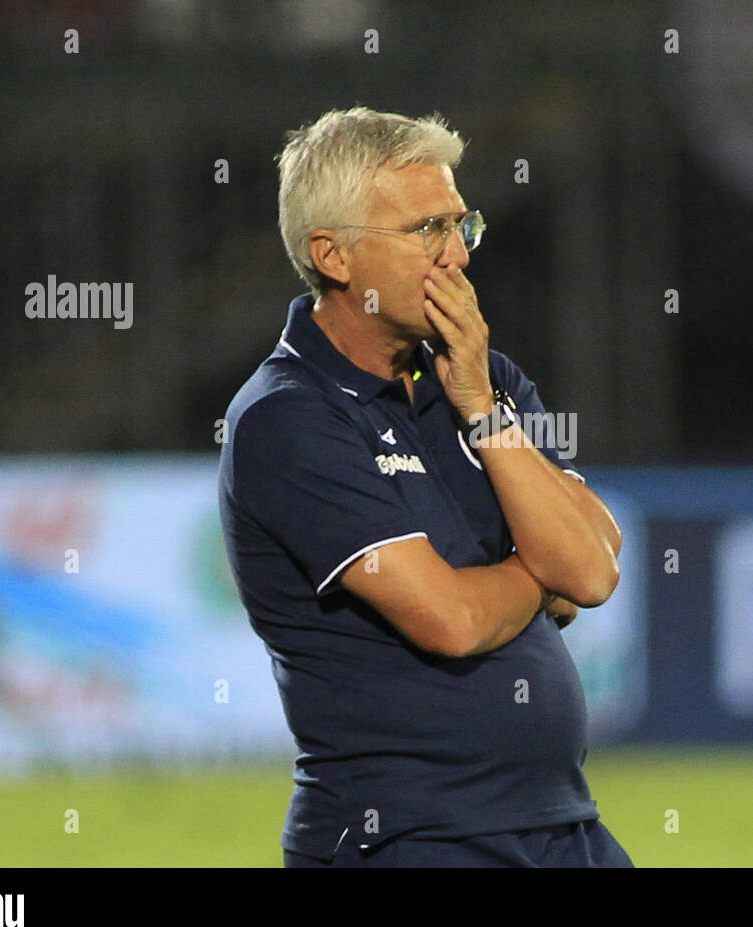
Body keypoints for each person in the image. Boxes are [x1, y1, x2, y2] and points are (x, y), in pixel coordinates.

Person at [217, 107, 631, 867]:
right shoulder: (287, 418)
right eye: (424, 231)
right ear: (332, 256)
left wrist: (479, 410)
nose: (456, 258)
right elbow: (451, 620)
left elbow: (593, 571)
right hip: (408, 837)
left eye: (459, 226)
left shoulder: (484, 380)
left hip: (563, 825)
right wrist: (539, 574)